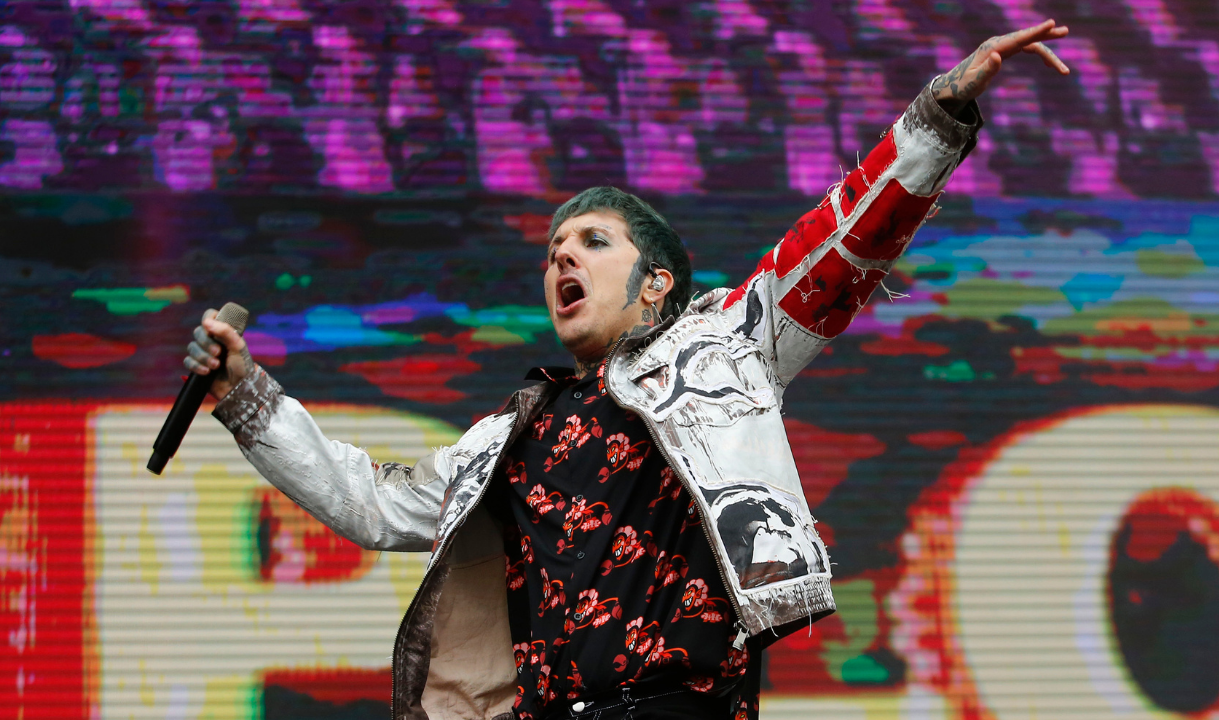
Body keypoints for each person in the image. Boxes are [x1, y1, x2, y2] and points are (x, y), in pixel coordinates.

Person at [184, 21, 1069, 720]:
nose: (563, 259)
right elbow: (372, 502)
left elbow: (835, 251)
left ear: (654, 283)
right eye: (553, 250)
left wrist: (944, 112)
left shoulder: (724, 344)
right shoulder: (512, 433)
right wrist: (247, 397)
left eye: (592, 243)